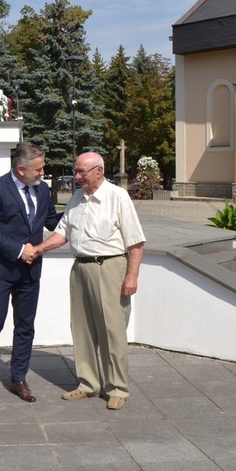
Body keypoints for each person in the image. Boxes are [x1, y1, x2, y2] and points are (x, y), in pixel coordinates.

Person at [32, 151, 145, 410]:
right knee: (82, 329)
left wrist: (132, 276)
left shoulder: (117, 197)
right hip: (80, 269)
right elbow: (62, 233)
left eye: (81, 172)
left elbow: (136, 243)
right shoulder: (77, 198)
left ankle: (117, 388)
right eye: (76, 171)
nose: (76, 176)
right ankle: (88, 384)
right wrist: (37, 249)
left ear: (99, 172)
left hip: (109, 268)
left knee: (112, 331)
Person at [0, 142, 63, 406]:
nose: (43, 173)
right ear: (21, 169)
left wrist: (79, 210)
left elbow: (52, 221)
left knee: (25, 326)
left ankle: (18, 378)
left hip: (30, 271)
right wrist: (20, 250)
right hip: (0, 269)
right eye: (38, 169)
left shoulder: (42, 189)